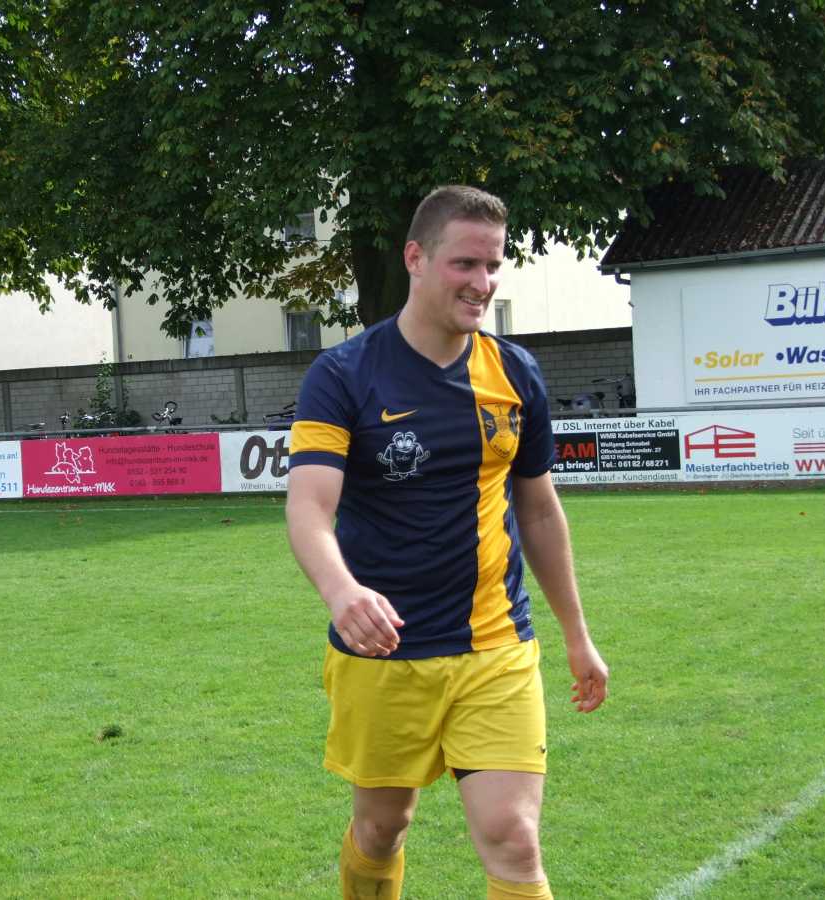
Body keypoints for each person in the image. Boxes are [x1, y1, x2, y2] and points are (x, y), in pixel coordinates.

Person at [285, 185, 609, 899]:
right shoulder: (343, 374)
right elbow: (308, 507)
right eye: (465, 263)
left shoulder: (515, 373)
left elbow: (539, 511)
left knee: (514, 838)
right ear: (415, 258)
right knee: (381, 829)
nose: (483, 283)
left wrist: (577, 635)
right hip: (384, 650)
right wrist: (342, 593)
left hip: (496, 644)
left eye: (493, 265)